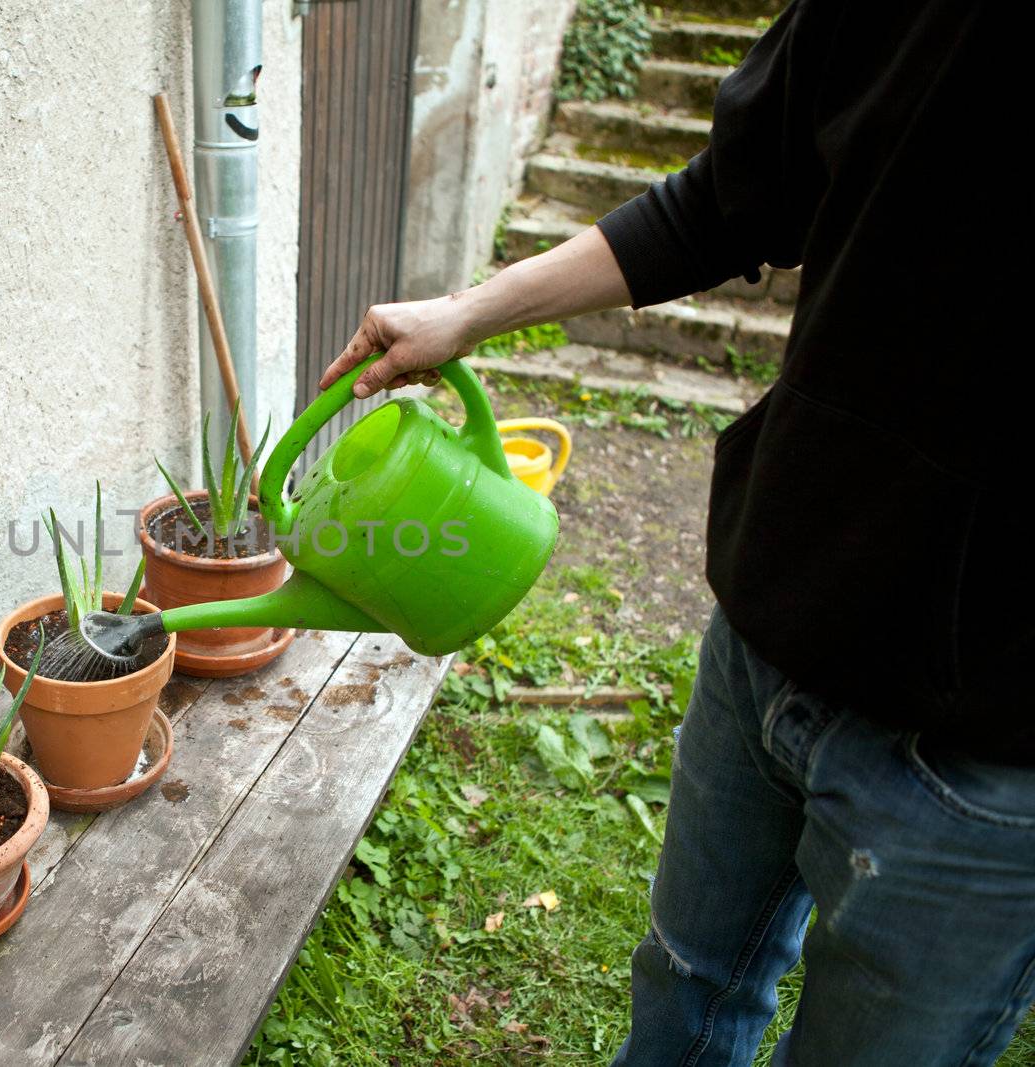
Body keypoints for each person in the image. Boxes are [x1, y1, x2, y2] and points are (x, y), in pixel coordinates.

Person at [320, 1, 1033, 1062]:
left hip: (986, 753)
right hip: (767, 631)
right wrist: (469, 310)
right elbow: (728, 201)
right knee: (685, 988)